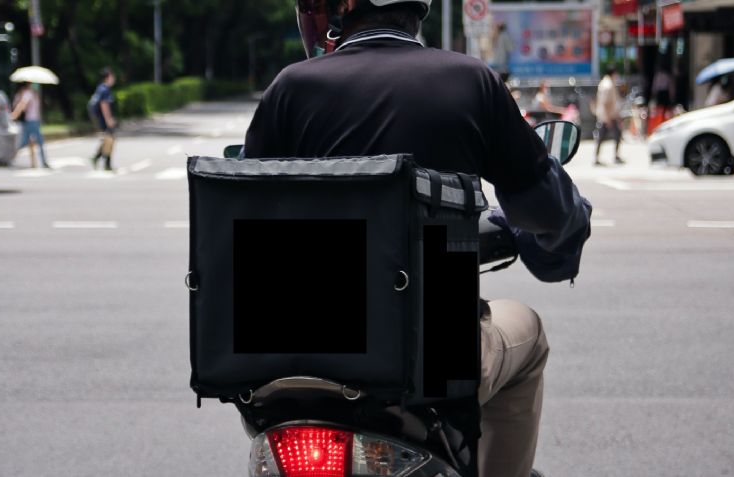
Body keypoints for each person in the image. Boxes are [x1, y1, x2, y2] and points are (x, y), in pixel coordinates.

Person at [244, 1, 592, 476]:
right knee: (528, 332)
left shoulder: (288, 89)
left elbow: (245, 218)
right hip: (435, 361)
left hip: (292, 361)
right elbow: (546, 212)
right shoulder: (470, 82)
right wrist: (567, 226)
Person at [11, 82, 50, 169]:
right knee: (31, 141)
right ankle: (44, 162)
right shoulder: (28, 93)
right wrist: (14, 114)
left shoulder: (34, 94)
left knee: (28, 142)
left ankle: (38, 163)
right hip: (30, 121)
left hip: (34, 121)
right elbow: (22, 105)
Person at [594, 65, 624, 166]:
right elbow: (606, 103)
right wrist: (608, 118)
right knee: (615, 134)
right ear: (614, 73)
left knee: (603, 136)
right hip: (608, 116)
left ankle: (597, 157)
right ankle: (613, 156)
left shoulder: (605, 83)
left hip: (606, 115)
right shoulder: (608, 85)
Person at [89, 68, 117, 171]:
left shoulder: (101, 88)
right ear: (108, 77)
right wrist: (109, 119)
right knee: (109, 140)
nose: (114, 78)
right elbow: (104, 105)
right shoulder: (105, 89)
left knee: (108, 140)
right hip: (103, 119)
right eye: (112, 76)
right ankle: (105, 163)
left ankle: (98, 159)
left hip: (101, 119)